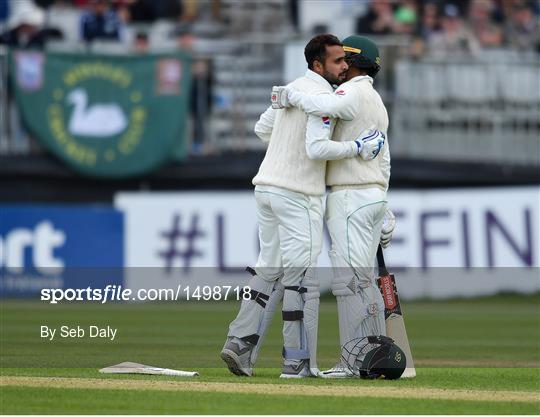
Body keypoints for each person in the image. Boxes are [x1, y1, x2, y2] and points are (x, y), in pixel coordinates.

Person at [220, 34, 386, 379]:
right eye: (338, 61)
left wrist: (287, 128)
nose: (343, 67)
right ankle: (297, 362)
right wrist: (357, 147)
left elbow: (261, 128)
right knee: (302, 281)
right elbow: (316, 149)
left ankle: (239, 344)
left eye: (346, 61)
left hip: (266, 186)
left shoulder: (291, 87)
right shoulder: (323, 96)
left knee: (268, 268)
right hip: (299, 193)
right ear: (318, 65)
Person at [272, 35, 395, 378]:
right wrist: (385, 205)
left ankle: (353, 360)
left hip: (349, 197)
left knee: (348, 282)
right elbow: (384, 159)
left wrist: (291, 95)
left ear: (353, 61)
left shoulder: (350, 91)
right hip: (373, 195)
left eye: (344, 60)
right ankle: (375, 354)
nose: (340, 67)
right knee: (363, 279)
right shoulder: (377, 100)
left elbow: (327, 108)